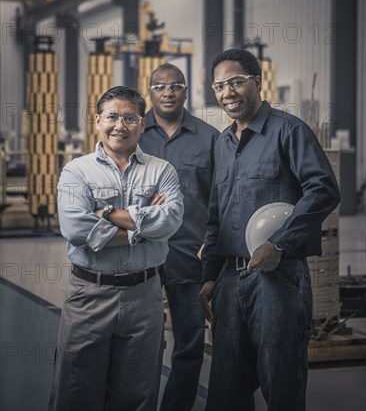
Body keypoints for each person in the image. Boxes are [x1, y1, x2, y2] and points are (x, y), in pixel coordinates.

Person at [199, 49, 340, 411]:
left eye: (235, 82)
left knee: (282, 384)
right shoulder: (222, 143)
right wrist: (210, 275)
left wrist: (278, 243)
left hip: (277, 278)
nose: (227, 92)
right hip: (230, 280)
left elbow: (323, 189)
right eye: (219, 85)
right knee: (226, 388)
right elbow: (218, 212)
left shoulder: (288, 131)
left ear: (257, 82)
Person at [48, 86, 184, 411]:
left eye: (129, 117)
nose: (119, 125)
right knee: (75, 393)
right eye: (112, 116)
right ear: (97, 120)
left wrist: (105, 214)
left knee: (137, 396)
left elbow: (171, 221)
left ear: (142, 123)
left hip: (145, 297)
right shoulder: (76, 171)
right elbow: (75, 228)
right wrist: (143, 227)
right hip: (88, 297)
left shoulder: (162, 171)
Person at [139, 64, 219, 411]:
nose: (168, 92)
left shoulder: (210, 138)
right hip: (140, 256)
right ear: (150, 91)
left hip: (190, 255)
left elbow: (220, 198)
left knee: (189, 344)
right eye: (160, 86)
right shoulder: (132, 131)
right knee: (141, 344)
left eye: (175, 86)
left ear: (186, 91)